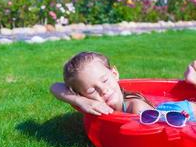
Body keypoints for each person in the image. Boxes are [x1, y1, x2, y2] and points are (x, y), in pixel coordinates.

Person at [50, 51, 196, 120]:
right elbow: (55, 87)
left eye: (105, 80)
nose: (103, 90)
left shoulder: (136, 108)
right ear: (81, 94)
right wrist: (80, 101)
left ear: (114, 73)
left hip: (181, 113)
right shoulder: (88, 103)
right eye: (91, 90)